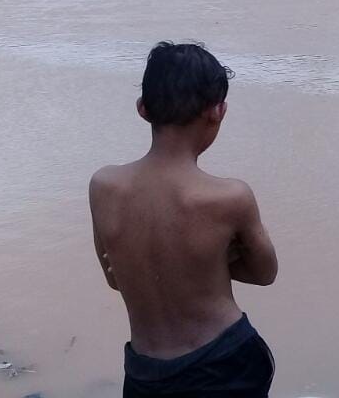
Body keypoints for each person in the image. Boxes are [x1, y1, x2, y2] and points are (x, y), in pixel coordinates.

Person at [89, 42, 278, 397]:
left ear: (143, 109)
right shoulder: (229, 197)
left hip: (144, 372)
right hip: (225, 362)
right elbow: (265, 272)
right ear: (217, 111)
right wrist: (210, 258)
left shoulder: (104, 187)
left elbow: (116, 279)